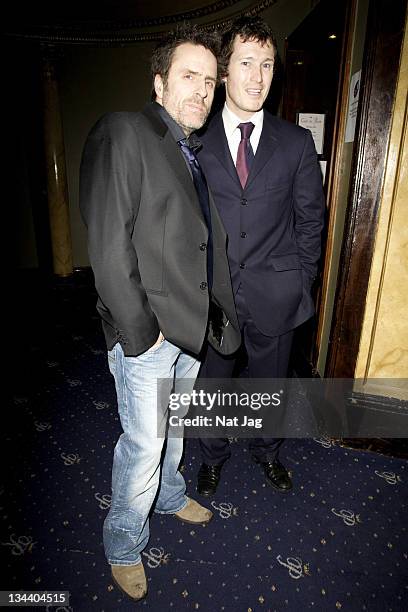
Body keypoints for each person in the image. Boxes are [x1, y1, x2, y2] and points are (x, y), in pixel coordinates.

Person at [79, 24, 240, 602]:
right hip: (148, 333)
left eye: (208, 81)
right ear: (159, 83)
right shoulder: (126, 130)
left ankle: (169, 496)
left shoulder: (187, 149)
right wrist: (142, 336)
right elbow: (108, 243)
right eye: (187, 77)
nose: (200, 90)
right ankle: (123, 542)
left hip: (188, 331)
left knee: (172, 433)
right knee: (143, 445)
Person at [196, 16, 325, 497]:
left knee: (271, 385)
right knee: (212, 387)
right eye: (246, 63)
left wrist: (300, 280)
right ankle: (211, 457)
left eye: (267, 64)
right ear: (224, 73)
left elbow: (311, 221)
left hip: (278, 293)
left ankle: (267, 452)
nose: (257, 76)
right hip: (216, 297)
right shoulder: (197, 141)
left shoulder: (295, 143)